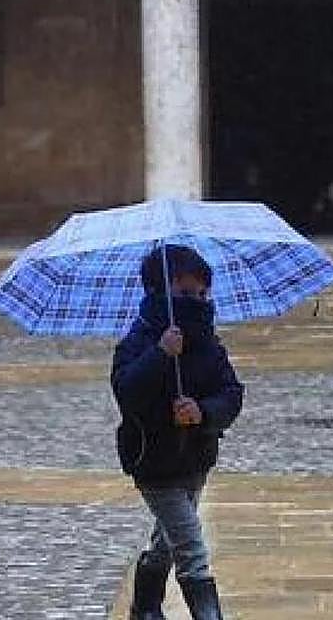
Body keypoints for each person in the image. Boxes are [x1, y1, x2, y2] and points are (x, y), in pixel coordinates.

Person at [111, 245, 245, 620]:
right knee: (190, 546)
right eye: (184, 294)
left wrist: (202, 412)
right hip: (153, 464)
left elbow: (231, 393)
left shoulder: (208, 345)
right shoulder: (138, 342)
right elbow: (127, 392)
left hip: (195, 458)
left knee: (167, 542)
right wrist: (160, 354)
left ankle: (145, 607)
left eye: (202, 294)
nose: (196, 302)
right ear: (159, 293)